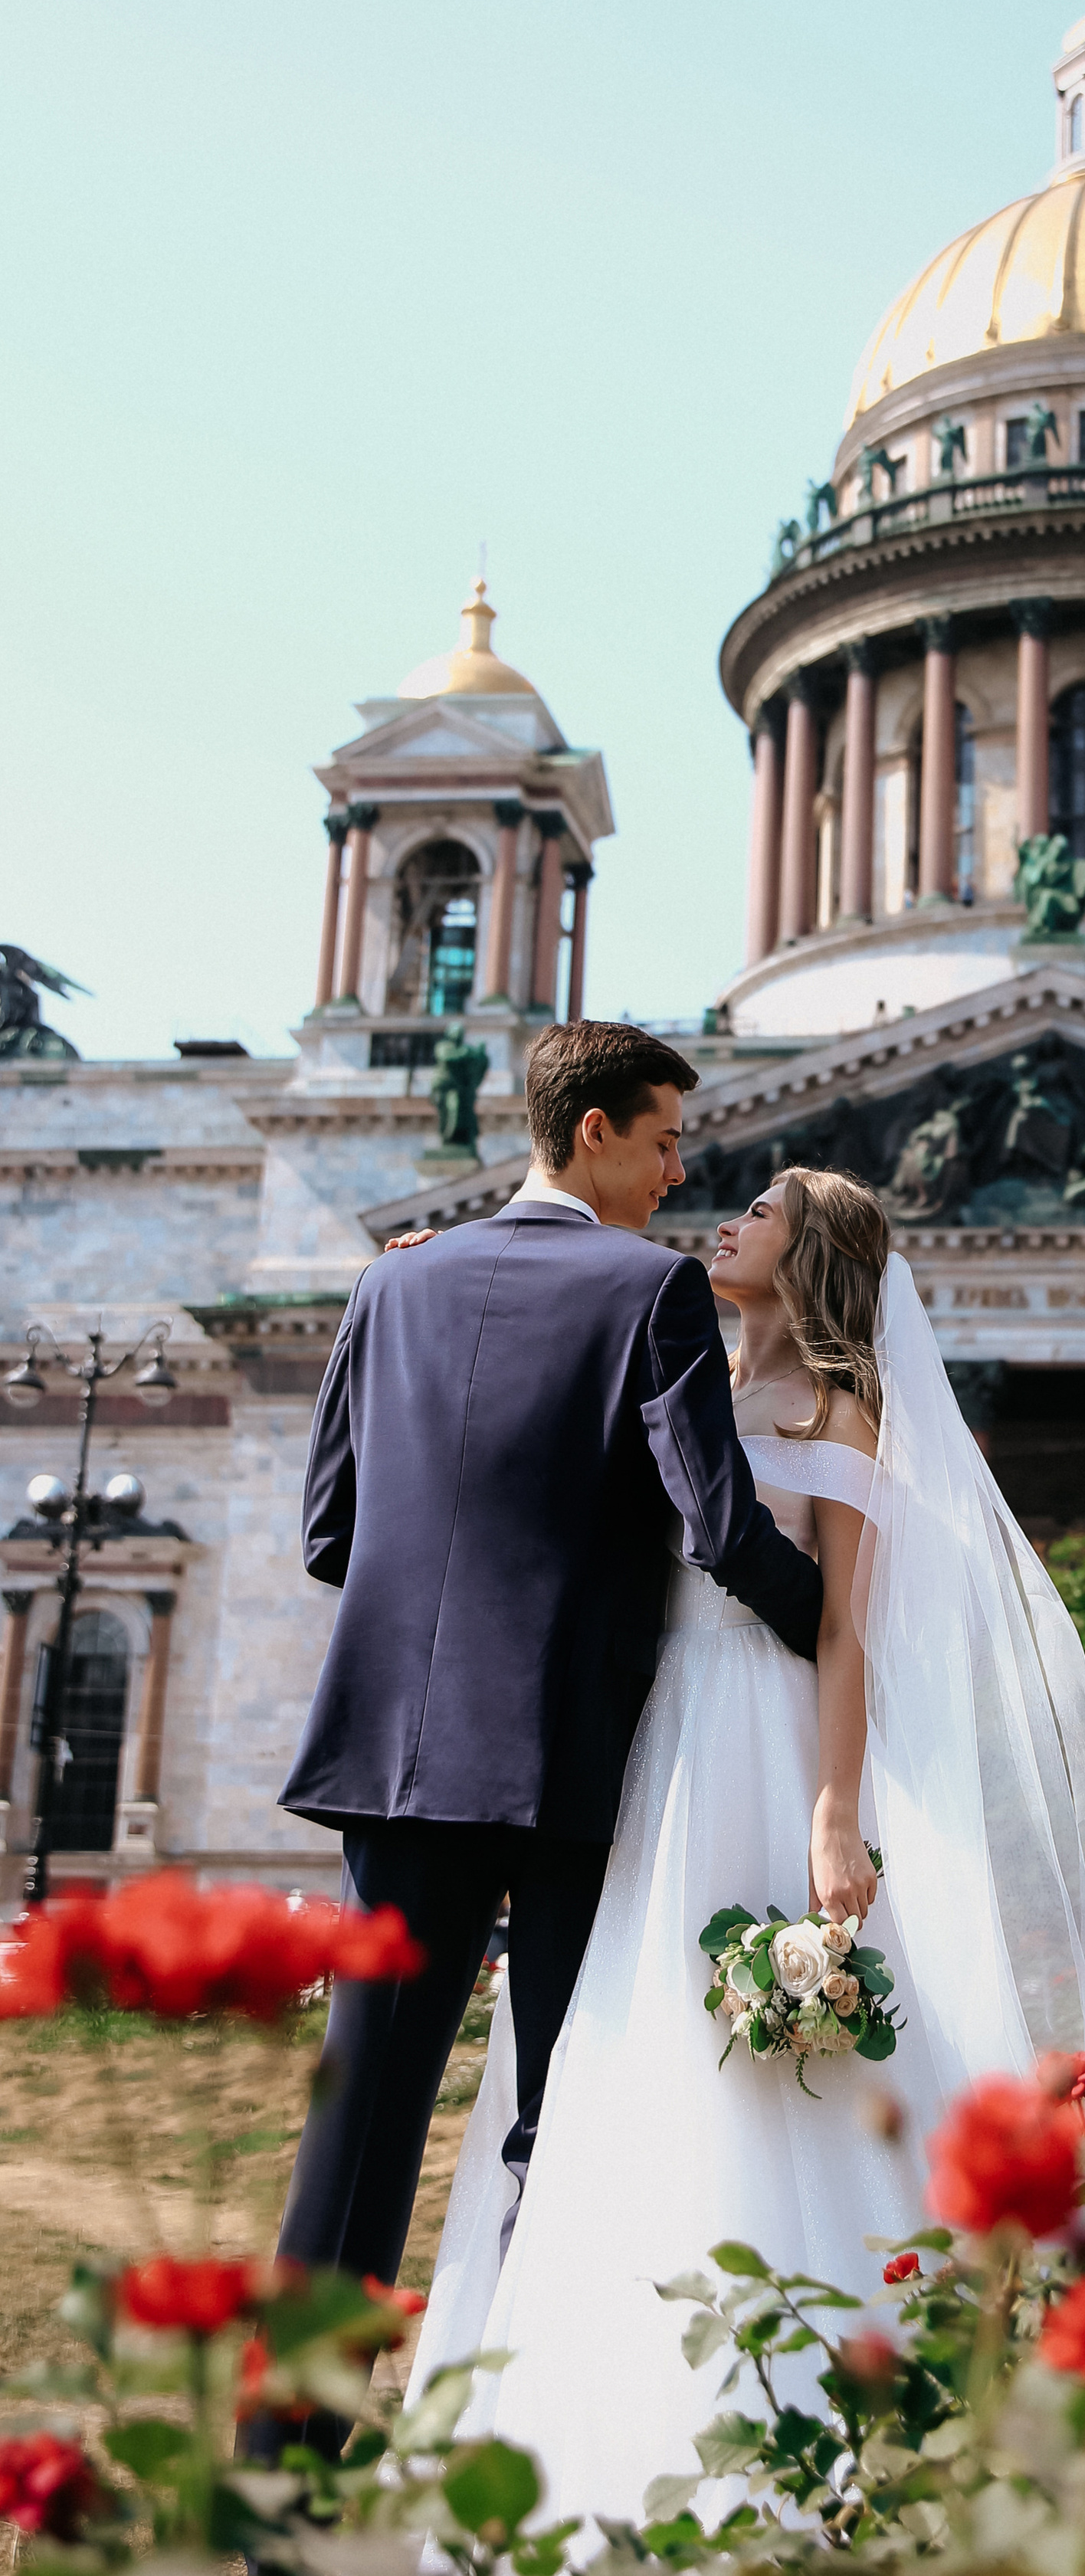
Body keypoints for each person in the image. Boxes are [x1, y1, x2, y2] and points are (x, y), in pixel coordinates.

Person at [406, 1166, 1085, 2526]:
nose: (727, 1218)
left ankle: (847, 2412)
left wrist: (834, 1811)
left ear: (812, 1258)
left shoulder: (840, 1408)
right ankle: (618, 2404)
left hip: (767, 1733)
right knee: (620, 2045)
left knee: (775, 2045)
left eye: (761, 1211)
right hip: (649, 1747)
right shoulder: (676, 1372)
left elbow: (848, 1629)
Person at [258, 1022, 825, 2457]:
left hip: (395, 1756)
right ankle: (560, 2443)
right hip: (574, 1762)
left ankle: (283, 2473)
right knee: (575, 2113)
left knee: (361, 2124)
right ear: (591, 1135)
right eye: (663, 1142)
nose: (679, 1172)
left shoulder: (391, 1288)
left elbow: (329, 1533)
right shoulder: (651, 1293)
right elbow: (715, 1525)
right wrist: (843, 1628)